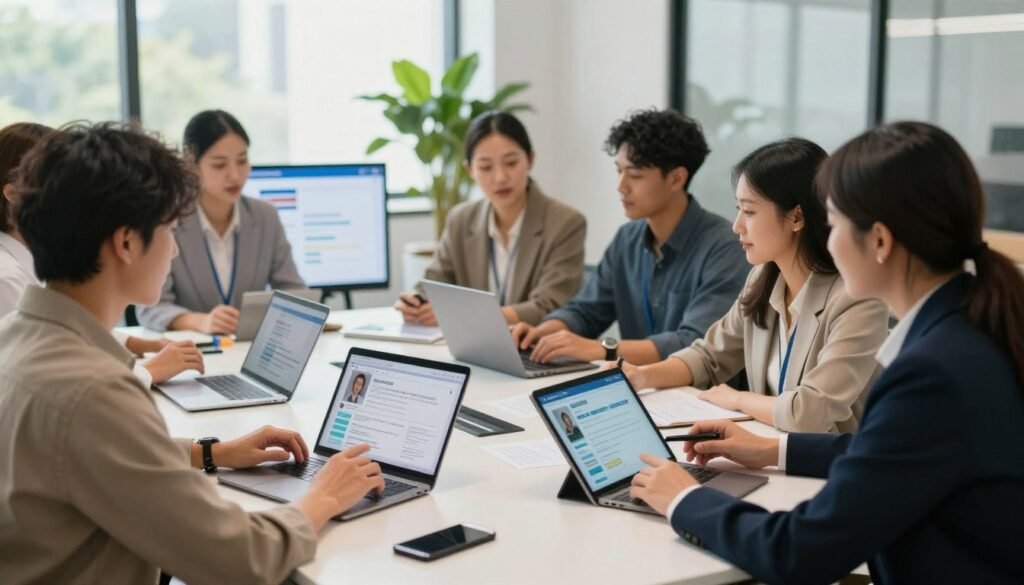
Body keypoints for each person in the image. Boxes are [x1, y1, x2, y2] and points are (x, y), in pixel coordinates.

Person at [629, 122, 1024, 584]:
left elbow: (799, 551)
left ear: (879, 240)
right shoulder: (964, 331)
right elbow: (887, 452)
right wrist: (775, 450)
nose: (826, 239)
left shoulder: (933, 372)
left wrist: (684, 499)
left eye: (833, 223)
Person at [0, 122, 385, 584]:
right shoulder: (93, 391)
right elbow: (239, 559)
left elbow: (107, 458)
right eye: (167, 229)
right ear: (126, 243)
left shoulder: (17, 337)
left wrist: (215, 451)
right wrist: (323, 496)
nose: (176, 247)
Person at [616, 138, 889, 433]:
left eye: (749, 212)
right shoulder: (762, 278)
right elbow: (709, 357)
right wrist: (641, 377)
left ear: (796, 216)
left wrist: (737, 399)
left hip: (824, 469)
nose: (737, 226)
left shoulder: (857, 299)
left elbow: (810, 411)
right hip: (766, 456)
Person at [512, 108, 747, 365]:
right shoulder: (627, 239)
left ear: (677, 178)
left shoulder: (724, 247)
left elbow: (694, 346)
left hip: (698, 397)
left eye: (635, 175)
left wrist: (602, 349)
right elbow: (586, 311)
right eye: (619, 171)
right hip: (638, 389)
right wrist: (545, 332)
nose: (621, 186)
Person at [0, 122, 202, 385]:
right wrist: (147, 371)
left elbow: (66, 328)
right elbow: (63, 371)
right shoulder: (6, 276)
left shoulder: (31, 268)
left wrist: (135, 343)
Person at [395, 110, 586, 326]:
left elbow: (550, 304)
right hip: (473, 348)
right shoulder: (461, 219)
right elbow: (435, 282)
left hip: (535, 349)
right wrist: (416, 302)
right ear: (470, 170)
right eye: (486, 167)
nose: (500, 177)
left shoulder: (565, 222)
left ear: (530, 160)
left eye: (511, 163)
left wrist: (465, 316)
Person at [136, 110, 304, 333]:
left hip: (250, 350)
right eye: (219, 165)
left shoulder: (265, 216)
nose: (235, 175)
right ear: (192, 165)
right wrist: (199, 321)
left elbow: (294, 291)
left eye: (242, 161)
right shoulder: (168, 219)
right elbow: (150, 308)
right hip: (192, 352)